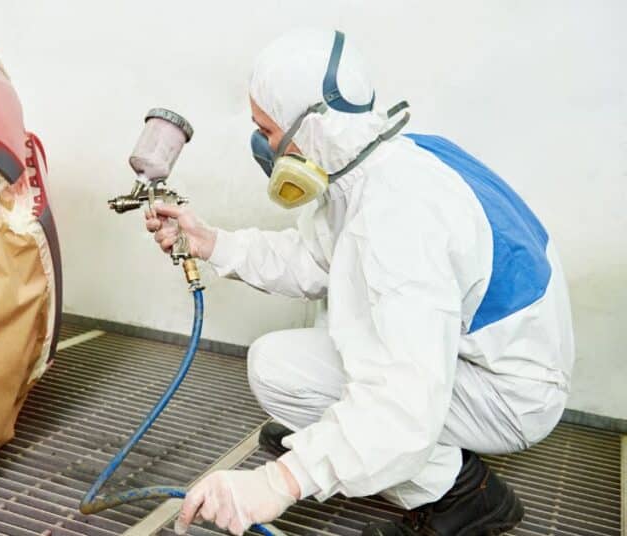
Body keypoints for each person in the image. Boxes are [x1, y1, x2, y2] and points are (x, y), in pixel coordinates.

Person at [146, 29, 574, 536]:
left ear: (311, 126)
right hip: (484, 354)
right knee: (275, 363)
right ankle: (347, 442)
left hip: (510, 393)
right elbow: (315, 259)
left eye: (266, 129)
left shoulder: (399, 217)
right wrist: (211, 241)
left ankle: (463, 497)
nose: (261, 145)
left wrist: (278, 482)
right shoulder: (380, 161)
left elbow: (402, 408)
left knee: (353, 404)